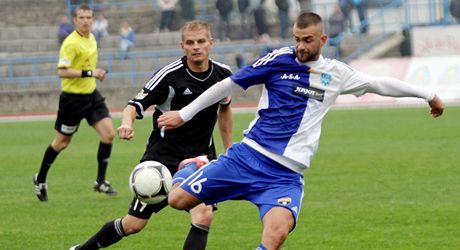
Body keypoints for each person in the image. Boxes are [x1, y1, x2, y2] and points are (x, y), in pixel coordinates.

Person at [157, 12, 445, 249]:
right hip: (247, 158)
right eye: (296, 39)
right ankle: (194, 165)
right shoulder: (277, 60)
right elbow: (228, 85)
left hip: (284, 176)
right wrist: (183, 115)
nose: (301, 46)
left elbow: (379, 84)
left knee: (276, 234)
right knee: (176, 200)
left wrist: (427, 94)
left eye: (307, 40)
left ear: (322, 39)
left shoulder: (336, 74)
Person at [69, 20, 233, 250]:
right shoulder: (169, 76)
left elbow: (225, 108)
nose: (196, 47)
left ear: (211, 43)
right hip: (162, 160)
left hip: (200, 158)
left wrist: (229, 149)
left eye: (201, 41)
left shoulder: (224, 75)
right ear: (182, 46)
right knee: (133, 224)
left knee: (203, 215)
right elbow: (133, 105)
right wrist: (127, 124)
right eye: (190, 42)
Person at [34, 4, 116, 202]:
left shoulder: (92, 37)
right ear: (75, 20)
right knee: (62, 143)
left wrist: (97, 73)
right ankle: (40, 178)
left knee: (109, 134)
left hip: (92, 95)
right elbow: (61, 71)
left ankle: (100, 181)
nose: (86, 20)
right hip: (72, 100)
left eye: (89, 17)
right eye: (82, 17)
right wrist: (90, 73)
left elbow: (88, 65)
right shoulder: (70, 43)